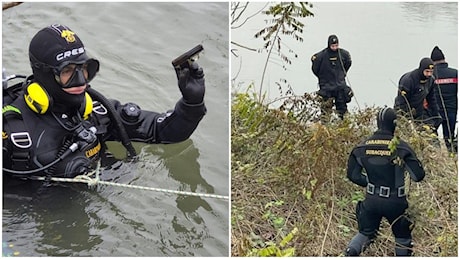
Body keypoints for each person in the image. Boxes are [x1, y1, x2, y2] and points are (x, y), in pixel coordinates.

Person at [2, 24, 206, 179]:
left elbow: (162, 132)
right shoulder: (11, 132)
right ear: (43, 74)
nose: (81, 80)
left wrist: (191, 104)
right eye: (67, 71)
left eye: (84, 68)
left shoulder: (96, 111)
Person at [344, 107, 425, 256]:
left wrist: (369, 184)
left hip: (371, 201)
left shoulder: (362, 147)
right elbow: (418, 176)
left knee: (365, 234)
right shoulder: (401, 147)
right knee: (402, 239)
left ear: (377, 123)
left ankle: (349, 253)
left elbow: (353, 175)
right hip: (396, 202)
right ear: (394, 124)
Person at [394, 57, 441, 133]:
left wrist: (436, 114)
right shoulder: (408, 80)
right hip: (404, 110)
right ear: (422, 69)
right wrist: (405, 119)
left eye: (431, 72)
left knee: (430, 134)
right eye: (427, 71)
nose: (429, 74)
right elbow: (401, 101)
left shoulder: (431, 80)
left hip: (419, 111)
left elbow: (431, 98)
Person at [311, 34, 353, 121]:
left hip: (340, 86)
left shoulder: (343, 55)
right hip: (326, 87)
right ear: (329, 45)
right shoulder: (320, 56)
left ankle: (345, 128)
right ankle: (325, 129)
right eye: (333, 46)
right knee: (326, 112)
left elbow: (348, 64)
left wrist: (341, 75)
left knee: (342, 111)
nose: (334, 47)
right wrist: (323, 78)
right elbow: (315, 69)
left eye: (336, 45)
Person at [430, 46, 458, 153]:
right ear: (444, 59)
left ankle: (436, 158)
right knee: (450, 138)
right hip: (451, 110)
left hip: (436, 112)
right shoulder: (455, 73)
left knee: (432, 136)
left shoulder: (430, 75)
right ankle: (453, 160)